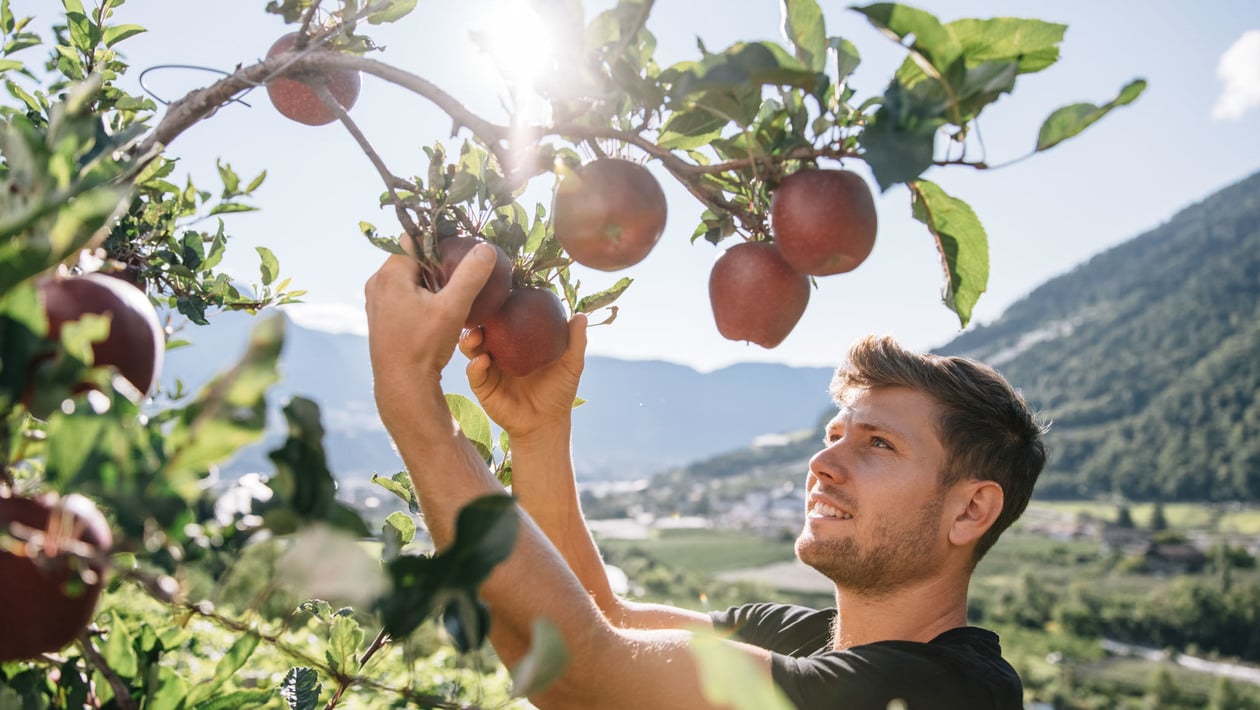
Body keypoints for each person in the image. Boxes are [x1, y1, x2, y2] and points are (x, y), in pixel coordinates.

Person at [364, 243, 1048, 710]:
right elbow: (602, 617)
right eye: (833, 433)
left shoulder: (951, 693)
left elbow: (587, 675)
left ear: (971, 511)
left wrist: (411, 399)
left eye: (877, 445)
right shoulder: (798, 637)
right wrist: (541, 433)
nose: (822, 462)